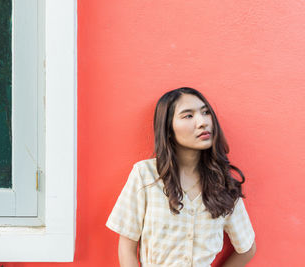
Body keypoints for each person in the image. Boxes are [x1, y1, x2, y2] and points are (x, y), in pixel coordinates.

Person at [106, 87, 256, 266]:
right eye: (188, 116)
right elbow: (127, 248)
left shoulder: (222, 183)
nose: (202, 122)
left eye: (206, 112)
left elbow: (247, 249)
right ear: (168, 129)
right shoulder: (145, 174)